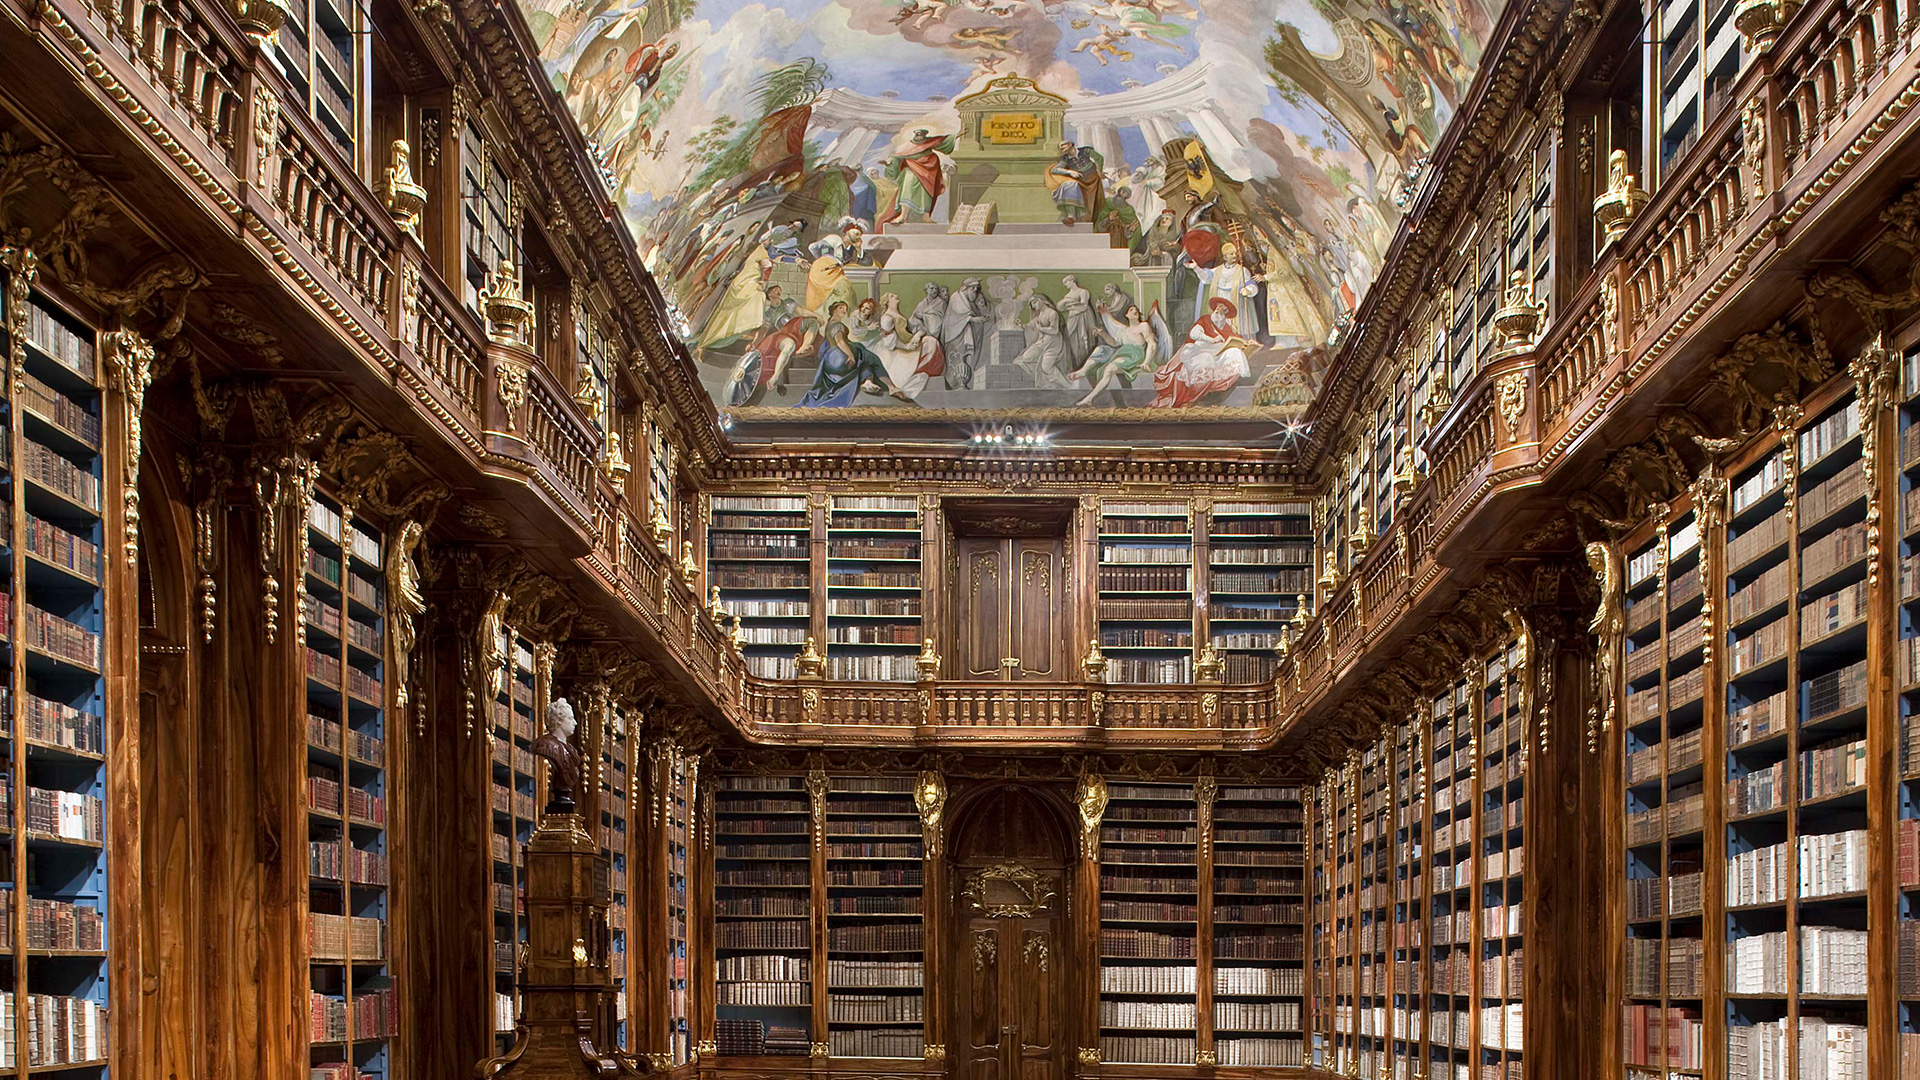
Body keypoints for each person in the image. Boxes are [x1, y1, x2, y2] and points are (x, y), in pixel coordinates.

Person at [799, 301, 904, 407]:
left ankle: (868, 381)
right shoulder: (836, 324)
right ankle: (890, 386)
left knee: (864, 362)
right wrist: (850, 355)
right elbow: (840, 341)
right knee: (871, 357)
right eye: (841, 308)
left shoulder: (829, 323)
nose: (844, 311)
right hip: (839, 356)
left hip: (831, 361)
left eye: (845, 309)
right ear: (834, 310)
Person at [1152, 297, 1252, 407]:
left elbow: (1235, 339)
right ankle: (1195, 396)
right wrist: (1211, 340)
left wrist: (1246, 343)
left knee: (1235, 353)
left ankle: (1217, 391)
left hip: (1217, 354)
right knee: (1206, 360)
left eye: (1222, 309)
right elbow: (1194, 334)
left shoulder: (1226, 327)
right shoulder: (1205, 319)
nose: (1218, 310)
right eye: (1217, 308)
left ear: (1226, 314)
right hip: (1198, 351)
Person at [1071, 303, 1166, 406]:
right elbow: (1114, 343)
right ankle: (1083, 372)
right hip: (1123, 354)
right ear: (1126, 315)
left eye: (1136, 310)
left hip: (1135, 356)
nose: (1134, 311)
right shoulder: (1124, 330)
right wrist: (1102, 333)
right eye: (1131, 310)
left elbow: (1152, 343)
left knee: (1109, 369)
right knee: (1101, 350)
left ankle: (1090, 398)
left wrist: (1146, 362)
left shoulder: (1143, 326)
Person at [871, 292, 944, 400]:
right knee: (904, 372)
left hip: (907, 344)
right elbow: (890, 343)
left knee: (931, 342)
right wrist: (906, 347)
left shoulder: (898, 314)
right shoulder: (886, 318)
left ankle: (924, 370)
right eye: (892, 296)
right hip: (896, 349)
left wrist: (917, 336)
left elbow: (916, 330)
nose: (896, 296)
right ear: (887, 302)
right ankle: (912, 375)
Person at [881, 128, 956, 225]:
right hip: (911, 171)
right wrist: (888, 164)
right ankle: (903, 216)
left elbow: (942, 141)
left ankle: (926, 216)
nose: (919, 136)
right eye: (917, 134)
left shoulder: (931, 151)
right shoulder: (907, 147)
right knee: (908, 188)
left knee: (927, 194)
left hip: (928, 174)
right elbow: (896, 157)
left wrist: (955, 137)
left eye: (921, 134)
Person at [1195, 242, 1262, 340]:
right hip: (1221, 299)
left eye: (1235, 253)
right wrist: (1196, 268)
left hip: (1238, 304)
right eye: (1231, 254)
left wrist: (1248, 290)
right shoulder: (1217, 270)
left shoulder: (1242, 271)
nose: (1234, 256)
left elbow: (1252, 285)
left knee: (1239, 329)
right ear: (1225, 257)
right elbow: (1206, 279)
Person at [531, 697, 583, 811]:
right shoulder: (546, 745)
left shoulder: (571, 751)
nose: (575, 723)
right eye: (570, 718)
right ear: (559, 720)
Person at [1011, 294, 1073, 388]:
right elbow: (1031, 327)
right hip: (1041, 343)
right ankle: (1044, 378)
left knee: (1046, 367)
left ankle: (1068, 386)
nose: (1034, 306)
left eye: (1034, 303)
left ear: (1041, 300)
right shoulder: (1040, 315)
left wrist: (1041, 328)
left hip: (1053, 344)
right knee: (1025, 358)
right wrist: (1022, 326)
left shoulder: (1052, 313)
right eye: (1032, 305)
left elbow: (1055, 330)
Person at [940, 278, 991, 390]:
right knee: (956, 362)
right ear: (966, 288)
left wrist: (978, 320)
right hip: (955, 336)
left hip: (964, 334)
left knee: (965, 361)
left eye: (976, 289)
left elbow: (969, 316)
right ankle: (955, 386)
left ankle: (963, 384)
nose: (974, 291)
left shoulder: (968, 301)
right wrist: (972, 319)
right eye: (972, 288)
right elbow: (956, 318)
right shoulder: (956, 298)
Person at [1046, 141, 1105, 226]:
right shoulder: (1065, 158)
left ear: (1070, 144)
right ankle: (1076, 220)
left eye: (1063, 145)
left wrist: (1100, 170)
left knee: (1095, 203)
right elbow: (1055, 170)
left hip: (1093, 180)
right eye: (1060, 147)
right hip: (1081, 182)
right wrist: (1069, 172)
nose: (1062, 148)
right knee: (1085, 203)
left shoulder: (1085, 150)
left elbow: (1099, 158)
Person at [1059, 276, 1098, 370]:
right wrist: (1067, 302)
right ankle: (1075, 364)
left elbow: (1084, 306)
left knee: (1083, 338)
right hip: (1072, 318)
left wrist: (1070, 306)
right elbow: (1060, 307)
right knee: (1071, 338)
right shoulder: (1067, 295)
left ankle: (1084, 364)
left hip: (1083, 317)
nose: (1065, 285)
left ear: (1072, 281)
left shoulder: (1083, 292)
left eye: (1066, 282)